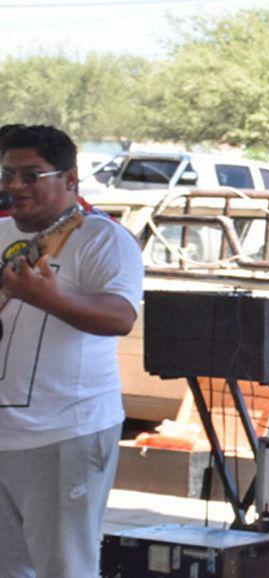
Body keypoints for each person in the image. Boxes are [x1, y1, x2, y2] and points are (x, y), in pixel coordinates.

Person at [0, 125, 143, 578]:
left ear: (70, 178)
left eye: (31, 175)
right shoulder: (1, 232)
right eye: (7, 174)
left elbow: (121, 317)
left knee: (66, 569)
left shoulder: (102, 238)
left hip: (65, 433)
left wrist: (50, 298)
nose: (15, 186)